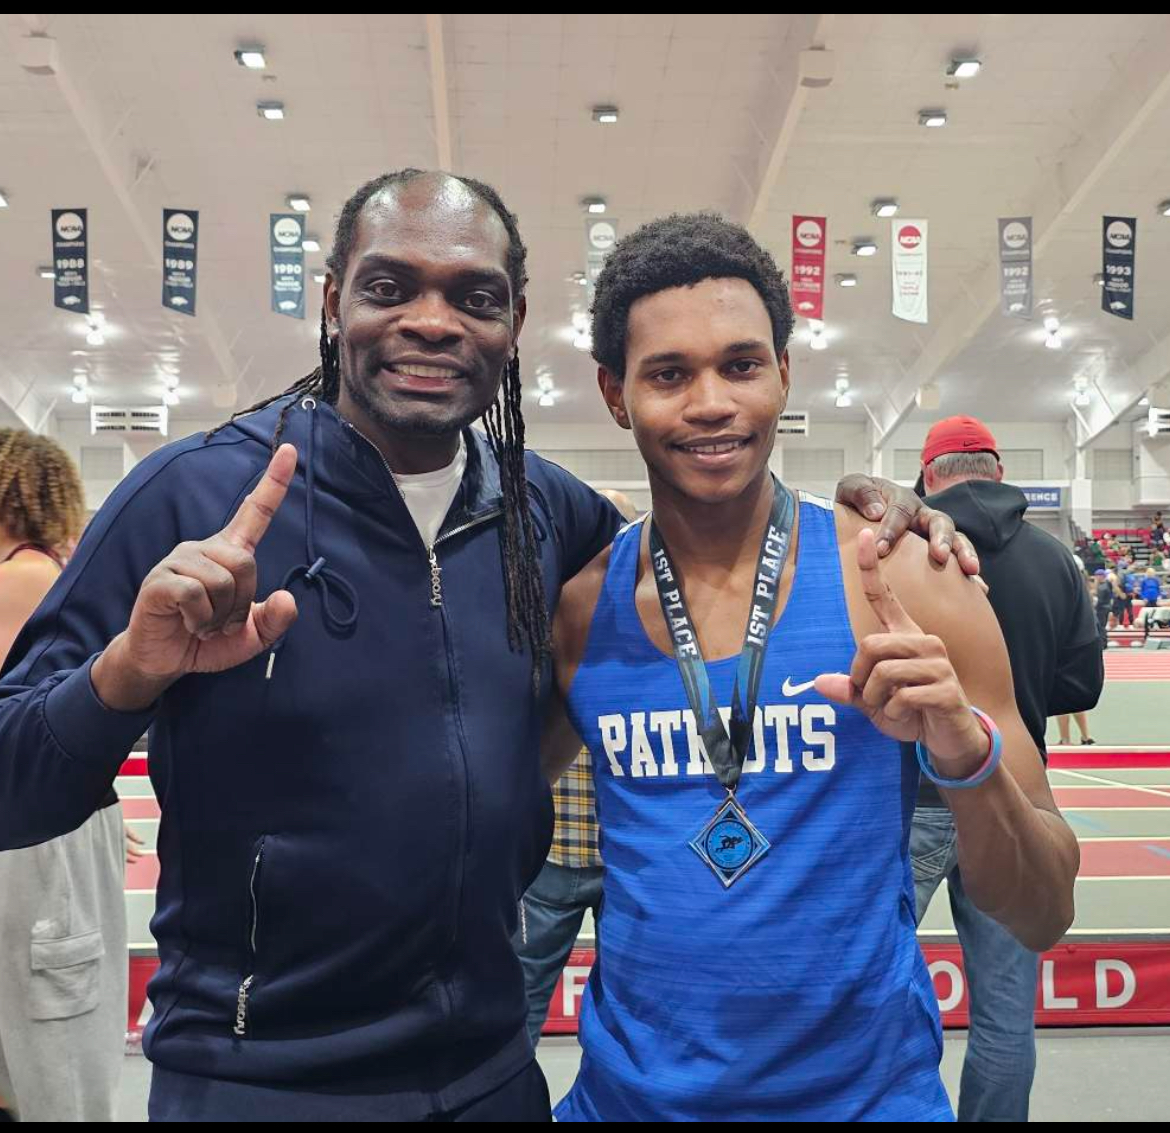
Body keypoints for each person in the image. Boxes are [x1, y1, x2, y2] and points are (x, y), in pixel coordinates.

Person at [0, 172, 962, 1122]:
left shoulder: (543, 511)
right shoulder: (195, 497)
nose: (432, 320)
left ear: (511, 324)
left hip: (491, 1076)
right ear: (334, 303)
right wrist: (123, 676)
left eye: (474, 296)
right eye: (390, 287)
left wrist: (883, 504)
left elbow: (705, 522)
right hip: (262, 1082)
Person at [542, 214, 1078, 1121]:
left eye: (742, 364)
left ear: (783, 374)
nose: (711, 401)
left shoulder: (908, 579)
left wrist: (963, 756)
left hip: (865, 1102)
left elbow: (1045, 908)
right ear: (615, 392)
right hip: (625, 1104)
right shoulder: (579, 609)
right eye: (669, 373)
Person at [909, 416, 1102, 1119]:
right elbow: (1081, 690)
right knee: (1005, 1016)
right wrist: (1017, 695)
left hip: (916, 794)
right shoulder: (1055, 559)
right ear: (998, 468)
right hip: (1017, 794)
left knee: (871, 981)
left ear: (930, 477)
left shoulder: (907, 549)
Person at [0, 429, 134, 1122]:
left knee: (48, 1034)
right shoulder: (44, 573)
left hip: (33, 837)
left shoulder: (21, 578)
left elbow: (18, 734)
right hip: (54, 822)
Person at [514, 490, 638, 1049]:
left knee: (634, 1010)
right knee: (519, 1002)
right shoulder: (543, 623)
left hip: (625, 864)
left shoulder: (661, 634)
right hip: (555, 857)